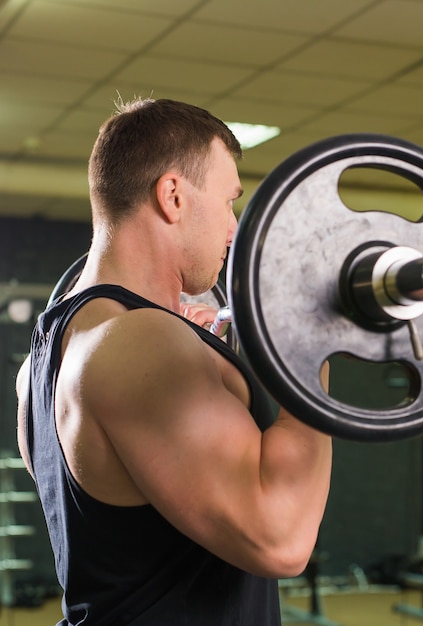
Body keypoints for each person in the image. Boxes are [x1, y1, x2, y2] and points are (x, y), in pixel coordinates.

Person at [15, 98, 332, 625]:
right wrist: (312, 347)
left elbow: (131, 535)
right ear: (173, 196)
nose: (234, 228)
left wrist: (196, 355)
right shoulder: (138, 345)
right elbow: (281, 540)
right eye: (230, 201)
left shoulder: (46, 358)